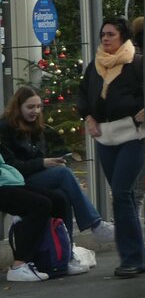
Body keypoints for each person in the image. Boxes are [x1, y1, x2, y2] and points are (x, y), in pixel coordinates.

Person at [1, 85, 114, 252]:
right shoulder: (4, 127)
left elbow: (37, 156)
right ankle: (95, 224)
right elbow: (10, 165)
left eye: (38, 107)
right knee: (63, 174)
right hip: (15, 181)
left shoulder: (34, 126)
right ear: (18, 107)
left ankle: (66, 249)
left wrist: (51, 161)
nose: (35, 111)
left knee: (62, 195)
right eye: (30, 107)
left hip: (31, 175)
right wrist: (43, 163)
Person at [77, 16, 145, 278]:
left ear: (123, 37)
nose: (105, 38)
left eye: (111, 34)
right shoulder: (94, 66)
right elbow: (83, 94)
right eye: (103, 34)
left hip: (132, 136)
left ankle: (131, 258)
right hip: (105, 138)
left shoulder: (136, 63)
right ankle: (137, 256)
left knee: (120, 193)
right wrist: (88, 116)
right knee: (123, 196)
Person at [0, 149, 81, 281]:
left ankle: (58, 258)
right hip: (4, 184)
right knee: (40, 205)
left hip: (9, 181)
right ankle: (19, 264)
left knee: (58, 200)